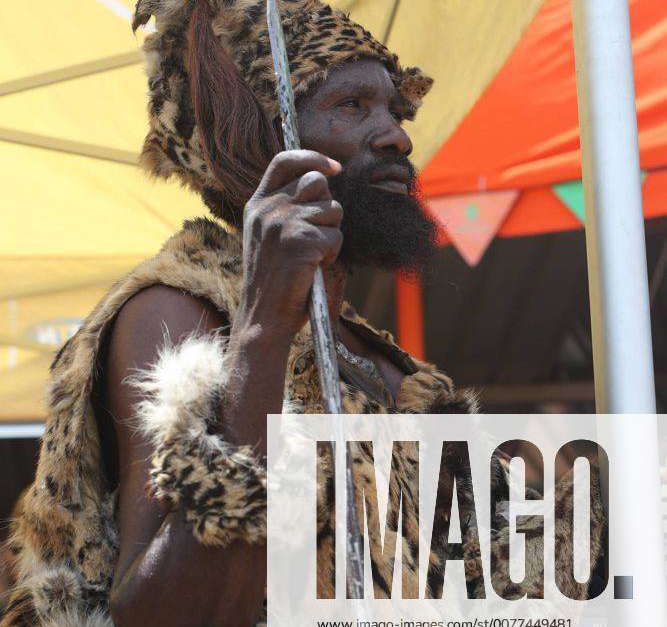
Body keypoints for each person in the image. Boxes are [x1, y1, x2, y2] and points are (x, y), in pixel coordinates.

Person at [0, 1, 605, 625]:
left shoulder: (393, 370)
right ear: (264, 138)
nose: (398, 133)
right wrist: (263, 328)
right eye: (351, 106)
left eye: (395, 110)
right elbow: (164, 613)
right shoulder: (178, 312)